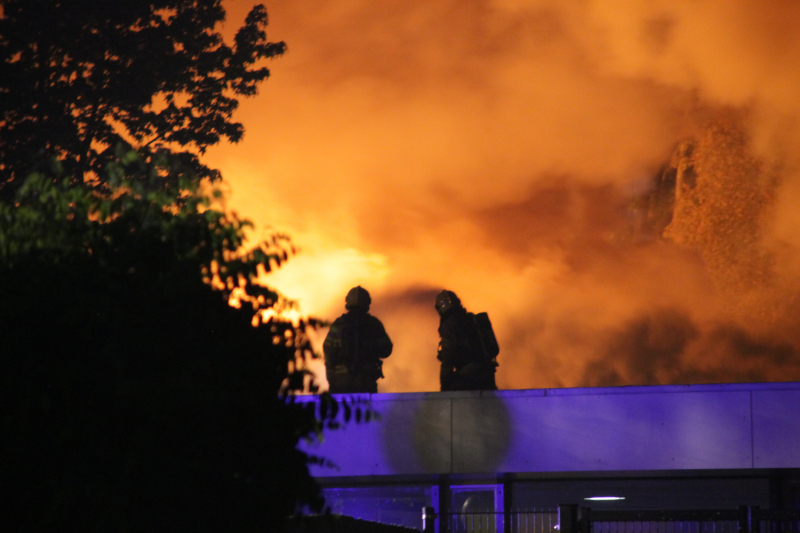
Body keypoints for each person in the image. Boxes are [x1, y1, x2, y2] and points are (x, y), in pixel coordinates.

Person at [323, 286, 393, 394]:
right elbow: (386, 349)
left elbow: (328, 351)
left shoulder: (338, 324)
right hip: (366, 380)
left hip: (341, 381)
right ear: (368, 302)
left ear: (347, 301)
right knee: (366, 405)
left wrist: (331, 376)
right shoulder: (374, 324)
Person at [435, 290, 498, 391]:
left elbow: (448, 357)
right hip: (487, 373)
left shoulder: (449, 325)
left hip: (468, 378)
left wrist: (444, 386)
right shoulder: (471, 319)